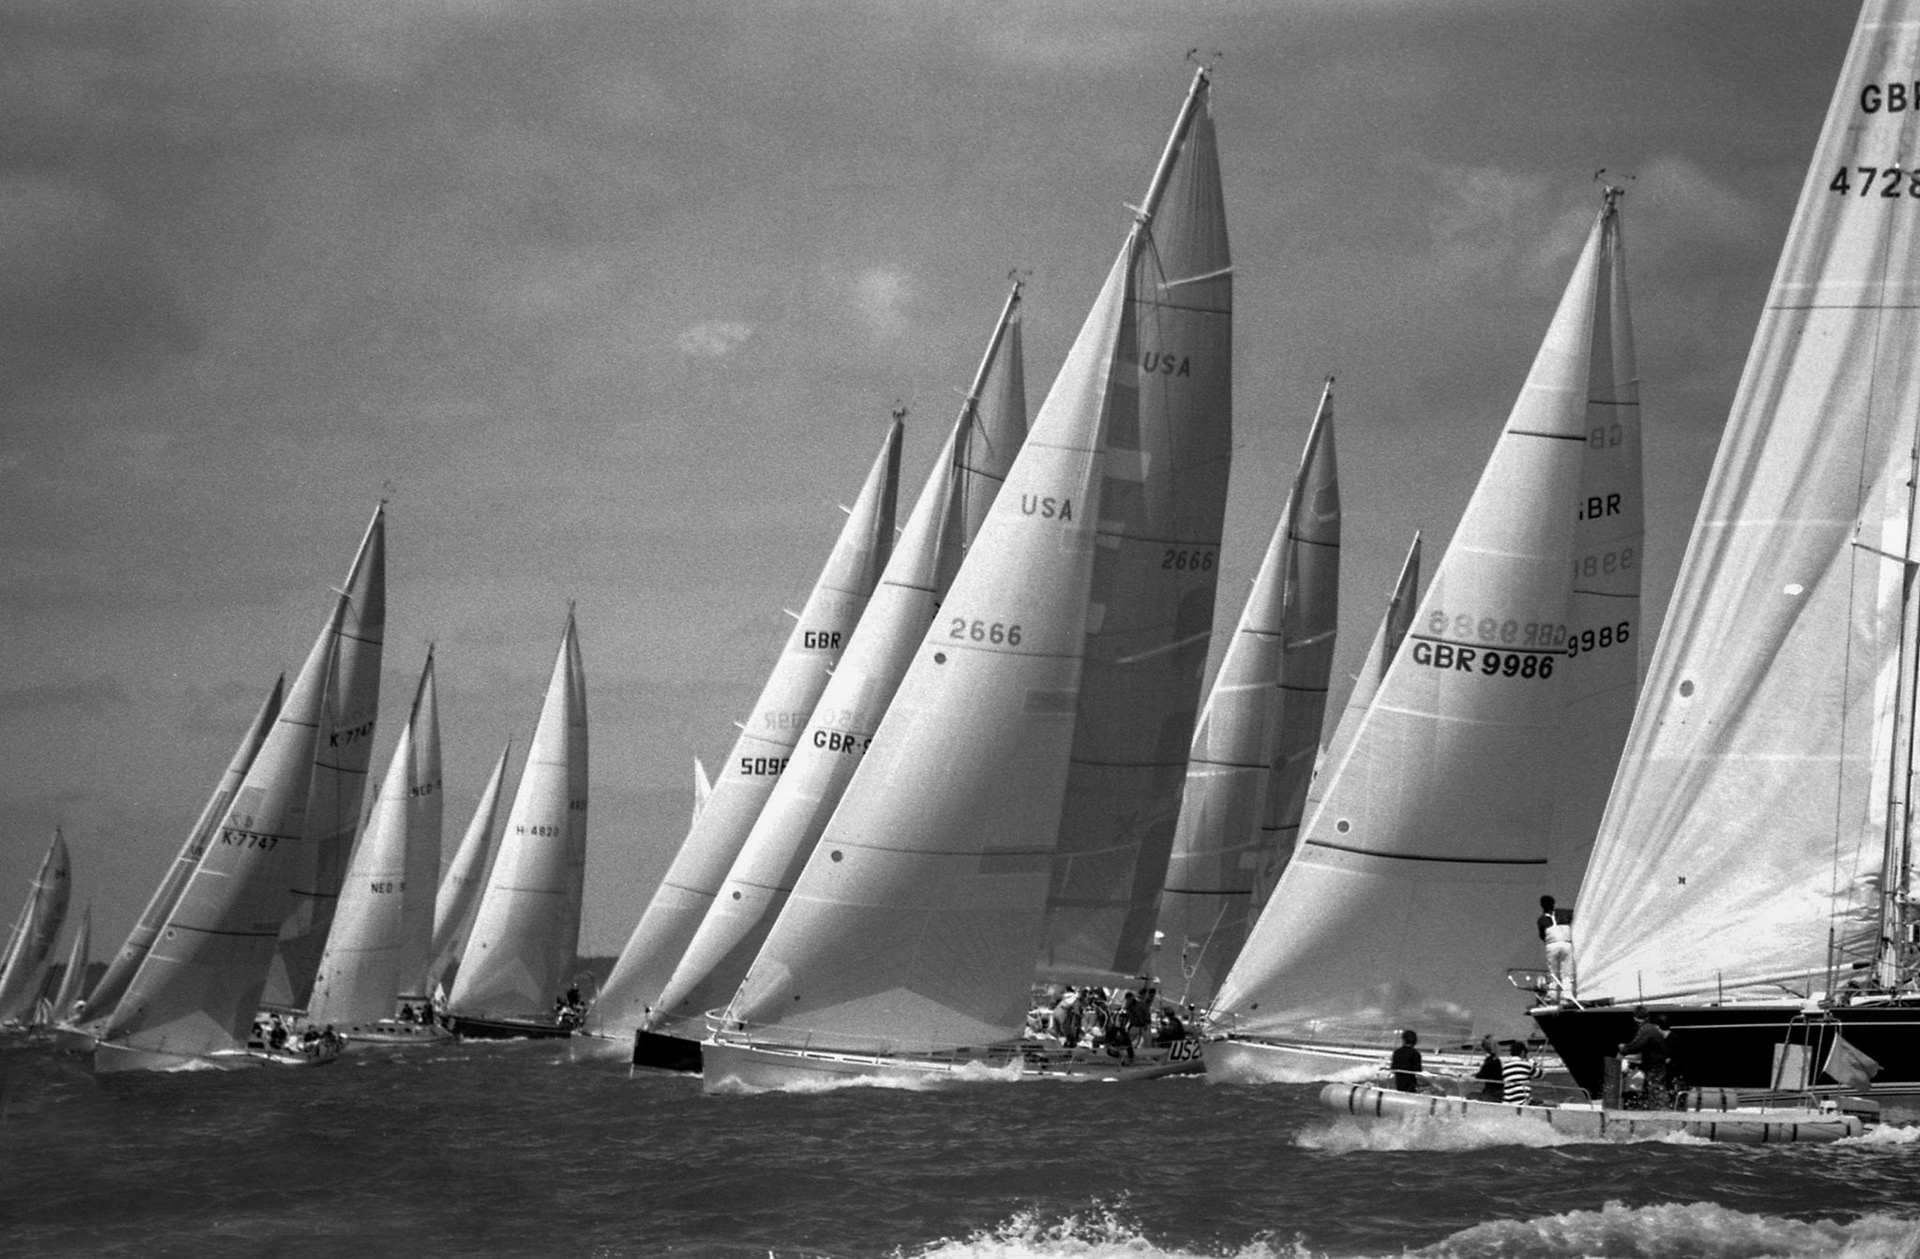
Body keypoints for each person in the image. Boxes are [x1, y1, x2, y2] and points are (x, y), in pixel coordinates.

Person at [1618, 1006, 1671, 1109]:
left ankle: (1659, 1111)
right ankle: (1655, 1109)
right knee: (1653, 1089)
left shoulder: (1646, 1030)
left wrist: (1624, 1049)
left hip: (1655, 1066)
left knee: (1655, 1090)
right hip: (1656, 1065)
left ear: (1635, 1018)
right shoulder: (1650, 1028)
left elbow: (1636, 1045)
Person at [1539, 895, 1574, 1001]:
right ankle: (1567, 995)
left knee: (1553, 973)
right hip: (1565, 944)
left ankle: (1552, 996)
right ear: (1554, 904)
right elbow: (1574, 914)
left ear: (1542, 906)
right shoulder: (1563, 913)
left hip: (1551, 946)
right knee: (1567, 972)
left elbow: (1542, 935)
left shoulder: (1542, 920)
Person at [1473, 1034, 1504, 1102]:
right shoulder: (1496, 1061)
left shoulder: (1490, 1062)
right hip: (1498, 1093)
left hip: (1491, 1094)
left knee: (1471, 1095)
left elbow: (1479, 1078)